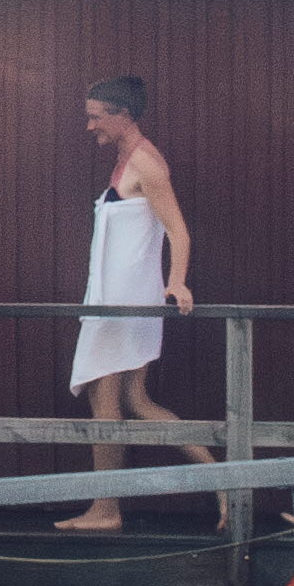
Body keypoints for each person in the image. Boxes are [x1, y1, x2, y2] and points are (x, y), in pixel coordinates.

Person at [57, 72, 197, 533]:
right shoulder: (127, 159)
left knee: (107, 403)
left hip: (123, 304)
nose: (89, 126)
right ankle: (225, 484)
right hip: (114, 300)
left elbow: (177, 229)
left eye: (96, 117)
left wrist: (177, 283)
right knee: (136, 400)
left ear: (122, 116)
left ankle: (105, 508)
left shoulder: (147, 164)